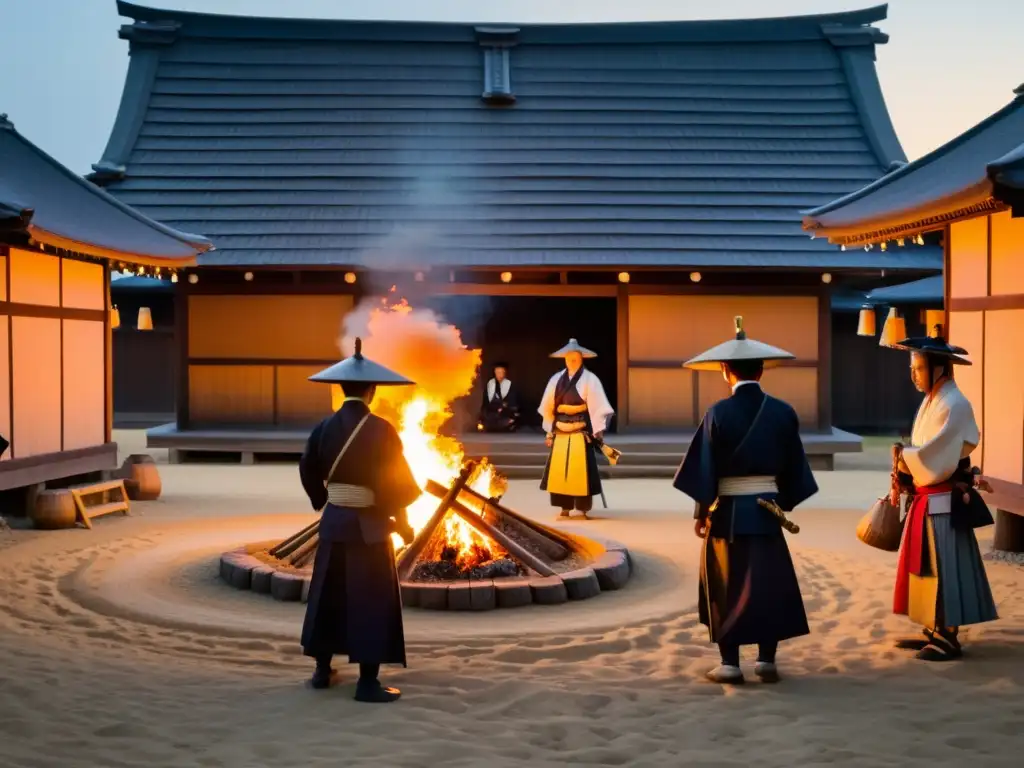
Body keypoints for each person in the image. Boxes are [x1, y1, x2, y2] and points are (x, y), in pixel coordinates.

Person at [673, 317, 817, 685]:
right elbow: (794, 467)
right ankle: (767, 660)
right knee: (768, 582)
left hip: (729, 516)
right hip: (767, 512)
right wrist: (779, 500)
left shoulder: (717, 414)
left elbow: (704, 469)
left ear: (725, 370)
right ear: (761, 370)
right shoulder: (784, 412)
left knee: (727, 583)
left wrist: (702, 513)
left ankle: (730, 663)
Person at [298, 338, 422, 702]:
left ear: (341, 389)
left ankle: (322, 671)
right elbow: (394, 482)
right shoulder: (382, 430)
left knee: (327, 595)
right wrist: (401, 522)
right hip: (369, 528)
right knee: (371, 599)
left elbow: (307, 467)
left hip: (335, 523)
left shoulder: (323, 427)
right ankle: (367, 682)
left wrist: (324, 499)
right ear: (371, 390)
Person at [889, 326, 997, 662]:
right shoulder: (934, 401)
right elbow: (925, 451)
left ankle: (948, 635)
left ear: (939, 367)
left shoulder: (954, 403)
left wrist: (904, 457)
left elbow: (933, 454)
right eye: (912, 369)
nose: (914, 376)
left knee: (943, 566)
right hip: (928, 496)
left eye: (918, 368)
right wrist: (905, 460)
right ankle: (934, 628)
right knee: (929, 567)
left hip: (943, 498)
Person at [539, 339, 614, 520]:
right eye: (568, 358)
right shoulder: (556, 379)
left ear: (581, 359)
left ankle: (582, 509)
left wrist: (598, 431)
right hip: (560, 430)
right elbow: (548, 407)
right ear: (564, 359)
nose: (571, 361)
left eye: (575, 358)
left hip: (581, 431)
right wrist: (549, 431)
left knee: (581, 474)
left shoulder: (590, 379)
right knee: (560, 473)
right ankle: (564, 508)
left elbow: (598, 406)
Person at [478, 362, 521, 432]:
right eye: (497, 372)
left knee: (509, 419)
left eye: (501, 372)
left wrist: (503, 406)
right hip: (492, 411)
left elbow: (513, 402)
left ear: (505, 373)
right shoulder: (490, 384)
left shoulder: (510, 385)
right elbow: (486, 401)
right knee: (485, 417)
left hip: (505, 411)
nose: (499, 374)